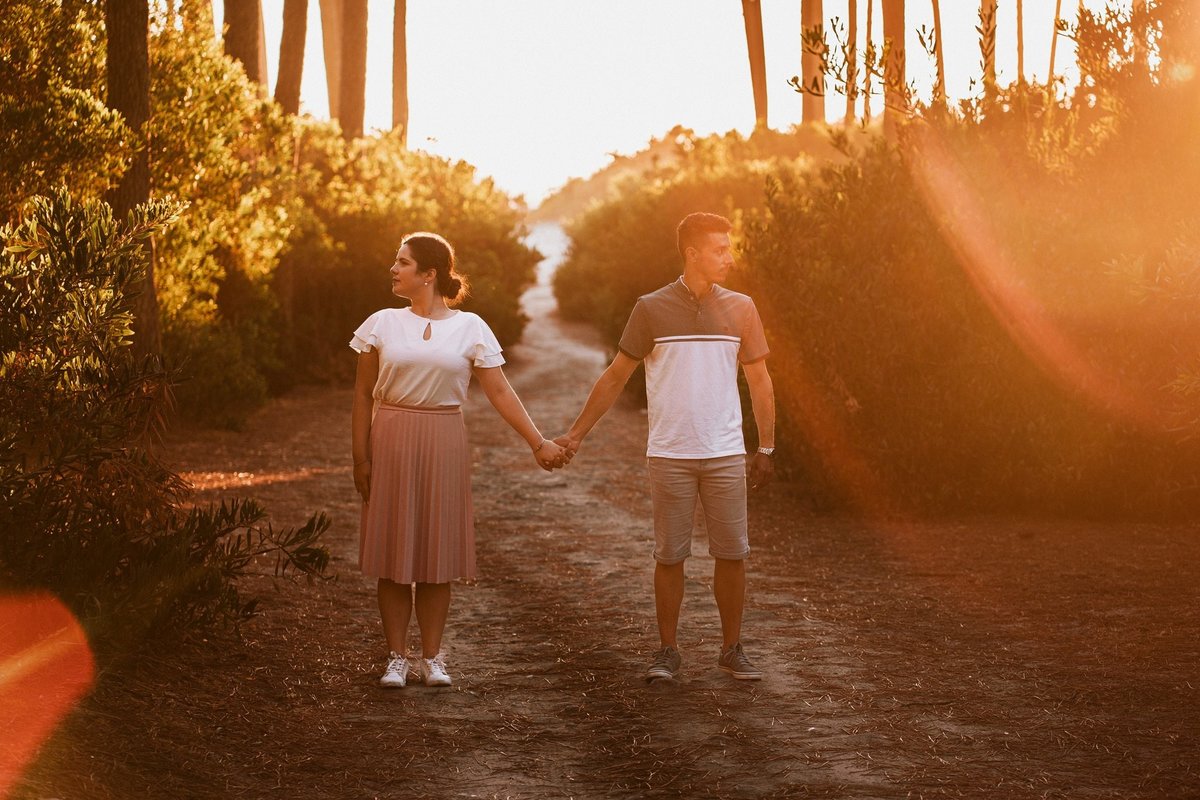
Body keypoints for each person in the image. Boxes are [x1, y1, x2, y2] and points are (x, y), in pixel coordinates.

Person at [555, 212, 775, 682]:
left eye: (728, 248)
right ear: (692, 253)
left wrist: (767, 447)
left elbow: (760, 379)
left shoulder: (742, 308)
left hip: (724, 452)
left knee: (733, 553)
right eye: (719, 249)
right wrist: (575, 435)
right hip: (670, 453)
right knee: (669, 555)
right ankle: (667, 650)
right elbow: (616, 376)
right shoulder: (651, 308)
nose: (729, 258)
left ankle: (732, 648)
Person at [351, 232, 567, 689]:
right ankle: (396, 658)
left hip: (444, 437)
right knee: (393, 553)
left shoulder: (471, 328)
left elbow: (499, 391)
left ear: (429, 274)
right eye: (396, 261)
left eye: (403, 262)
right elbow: (361, 396)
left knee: (435, 553)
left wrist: (537, 441)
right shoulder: (381, 323)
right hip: (390, 435)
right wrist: (361, 457)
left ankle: (432, 658)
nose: (393, 269)